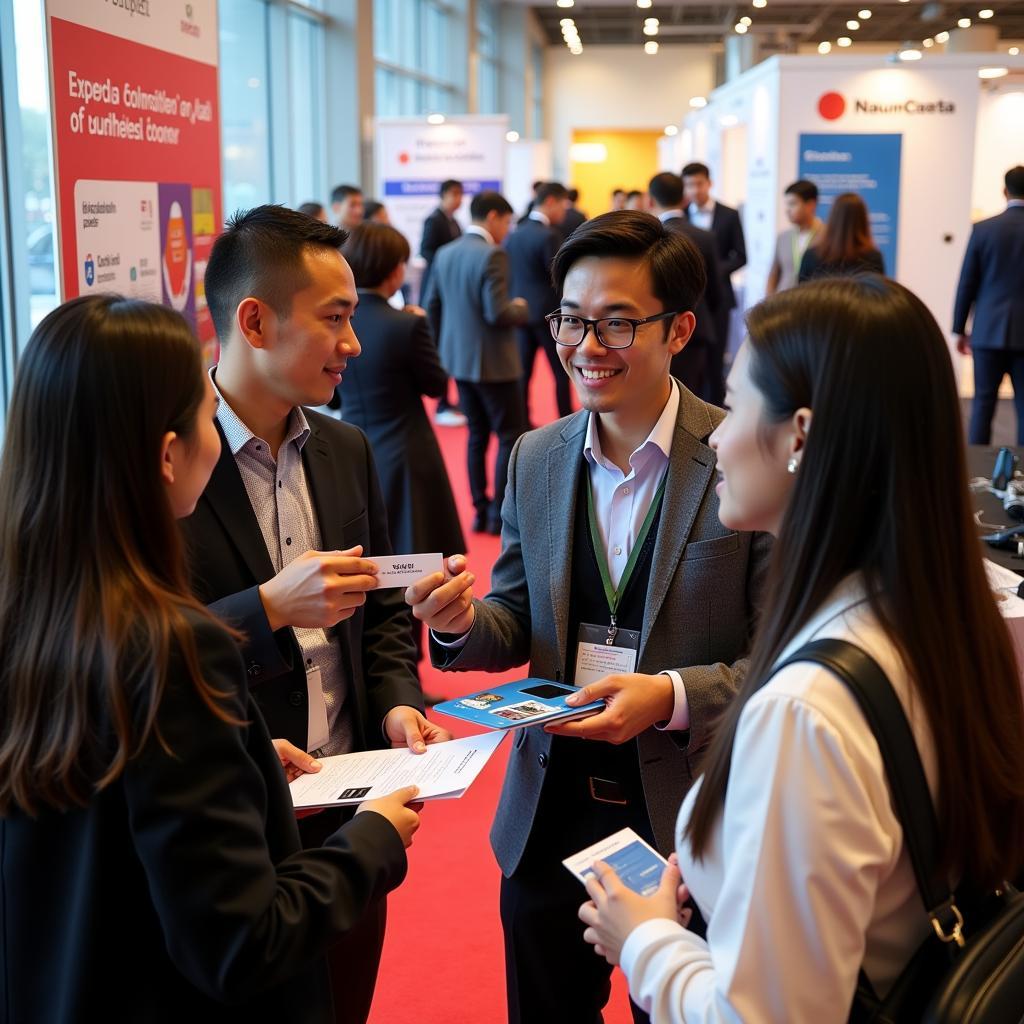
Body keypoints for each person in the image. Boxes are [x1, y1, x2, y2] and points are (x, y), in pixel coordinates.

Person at [576, 275, 1024, 1021]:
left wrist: (646, 941)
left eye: (735, 403)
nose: (716, 434)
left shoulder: (806, 711)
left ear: (801, 434)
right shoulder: (940, 619)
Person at [0, 294, 424, 1022]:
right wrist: (373, 838)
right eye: (204, 413)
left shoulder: (29, 611)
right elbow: (242, 942)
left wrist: (247, 760)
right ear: (167, 456)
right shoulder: (172, 649)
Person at [409, 211, 771, 1024]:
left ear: (679, 329)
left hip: (685, 819)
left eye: (616, 322)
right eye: (571, 319)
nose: (586, 345)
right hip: (547, 812)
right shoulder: (536, 455)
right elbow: (514, 618)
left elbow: (779, 661)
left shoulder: (741, 457)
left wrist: (670, 693)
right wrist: (459, 624)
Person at [181, 205, 449, 1024]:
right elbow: (140, 651)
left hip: (352, 811)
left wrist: (400, 698)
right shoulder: (171, 466)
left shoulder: (345, 448)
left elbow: (381, 618)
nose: (355, 344)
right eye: (334, 319)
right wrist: (265, 609)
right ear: (254, 321)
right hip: (234, 820)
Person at [340, 223, 465, 569]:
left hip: (349, 449)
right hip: (406, 453)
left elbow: (333, 398)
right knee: (414, 564)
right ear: (394, 269)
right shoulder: (406, 325)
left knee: (364, 558)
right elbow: (436, 386)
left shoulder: (336, 324)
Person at [423, 191, 530, 536]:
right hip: (495, 364)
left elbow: (432, 306)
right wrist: (522, 307)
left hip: (459, 361)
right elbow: (497, 311)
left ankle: (479, 510)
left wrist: (442, 353)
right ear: (494, 216)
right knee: (510, 436)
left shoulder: (445, 252)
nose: (507, 230)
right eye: (507, 222)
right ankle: (499, 516)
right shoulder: (493, 255)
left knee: (476, 436)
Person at [953, 165, 1024, 444]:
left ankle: (975, 472)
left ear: (1004, 191)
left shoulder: (983, 230)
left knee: (982, 405)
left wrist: (960, 329)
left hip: (987, 331)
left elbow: (967, 283)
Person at [647, 171, 723, 399]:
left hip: (655, 330)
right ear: (684, 198)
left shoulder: (647, 238)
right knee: (694, 396)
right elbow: (715, 292)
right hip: (696, 329)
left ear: (650, 200)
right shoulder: (704, 236)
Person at [505, 181, 573, 424]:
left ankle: (522, 422)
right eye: (563, 206)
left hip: (521, 313)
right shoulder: (549, 235)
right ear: (551, 201)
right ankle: (567, 421)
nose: (564, 213)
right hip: (547, 315)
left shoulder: (514, 233)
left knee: (524, 373)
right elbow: (558, 276)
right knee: (561, 372)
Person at [683, 161, 746, 406]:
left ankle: (716, 416)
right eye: (689, 185)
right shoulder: (682, 216)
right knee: (689, 363)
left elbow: (741, 255)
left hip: (718, 299)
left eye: (699, 183)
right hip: (689, 299)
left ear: (709, 183)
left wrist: (713, 270)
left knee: (715, 361)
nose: (695, 190)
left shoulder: (729, 214)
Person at [419, 179, 466, 427]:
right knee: (439, 346)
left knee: (450, 344)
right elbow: (425, 251)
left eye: (461, 194)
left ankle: (449, 399)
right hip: (436, 292)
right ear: (444, 195)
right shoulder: (434, 220)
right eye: (455, 194)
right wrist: (446, 261)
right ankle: (442, 402)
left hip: (450, 292)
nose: (459, 199)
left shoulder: (455, 221)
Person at [798, 192, 885, 283]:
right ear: (863, 220)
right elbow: (878, 294)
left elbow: (802, 293)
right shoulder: (873, 258)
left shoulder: (811, 256)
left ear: (832, 218)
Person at [765, 179, 823, 294]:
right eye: (787, 204)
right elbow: (773, 275)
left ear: (811, 205)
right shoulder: (783, 238)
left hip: (814, 304)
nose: (787, 210)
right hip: (783, 304)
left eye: (793, 204)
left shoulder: (827, 236)